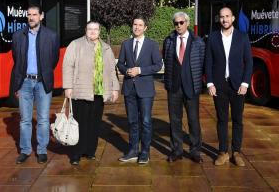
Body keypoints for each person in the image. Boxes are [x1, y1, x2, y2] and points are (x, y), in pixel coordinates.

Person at [63, 21, 120, 165]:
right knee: (79, 124)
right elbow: (68, 66)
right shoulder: (75, 45)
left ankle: (90, 151)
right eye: (90, 29)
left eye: (95, 29)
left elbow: (112, 70)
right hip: (80, 91)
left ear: (100, 31)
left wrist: (115, 88)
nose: (93, 32)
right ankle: (76, 154)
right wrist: (67, 87)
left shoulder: (106, 48)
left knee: (94, 124)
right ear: (85, 30)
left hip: (99, 93)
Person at [12, 4, 60, 164]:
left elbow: (54, 59)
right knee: (25, 119)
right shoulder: (18, 35)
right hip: (24, 82)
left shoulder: (51, 36)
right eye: (29, 14)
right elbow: (16, 59)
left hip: (42, 82)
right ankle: (25, 150)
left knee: (43, 119)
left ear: (41, 16)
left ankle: (41, 150)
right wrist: (17, 84)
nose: (31, 17)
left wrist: (44, 73)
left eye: (34, 14)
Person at [205, 7, 253, 167]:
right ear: (219, 19)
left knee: (238, 119)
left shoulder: (242, 37)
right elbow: (208, 62)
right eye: (222, 17)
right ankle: (223, 152)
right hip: (219, 85)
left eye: (227, 16)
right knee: (221, 119)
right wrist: (210, 83)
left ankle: (237, 152)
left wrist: (246, 83)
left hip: (238, 85)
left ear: (233, 18)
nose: (224, 19)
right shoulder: (212, 37)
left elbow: (249, 62)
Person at [117, 17, 162, 164]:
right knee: (132, 121)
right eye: (135, 24)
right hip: (129, 88)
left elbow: (158, 65)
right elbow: (120, 64)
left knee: (146, 121)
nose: (137, 27)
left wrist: (140, 70)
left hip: (146, 90)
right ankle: (133, 150)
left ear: (145, 28)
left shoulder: (152, 45)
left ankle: (145, 152)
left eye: (140, 25)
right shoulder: (126, 44)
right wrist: (127, 70)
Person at [162, 12, 205, 163]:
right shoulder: (168, 41)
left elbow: (202, 63)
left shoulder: (198, 42)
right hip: (173, 87)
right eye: (176, 23)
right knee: (175, 120)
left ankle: (195, 151)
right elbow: (166, 60)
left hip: (191, 87)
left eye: (181, 22)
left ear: (187, 23)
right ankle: (177, 150)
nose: (178, 25)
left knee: (193, 120)